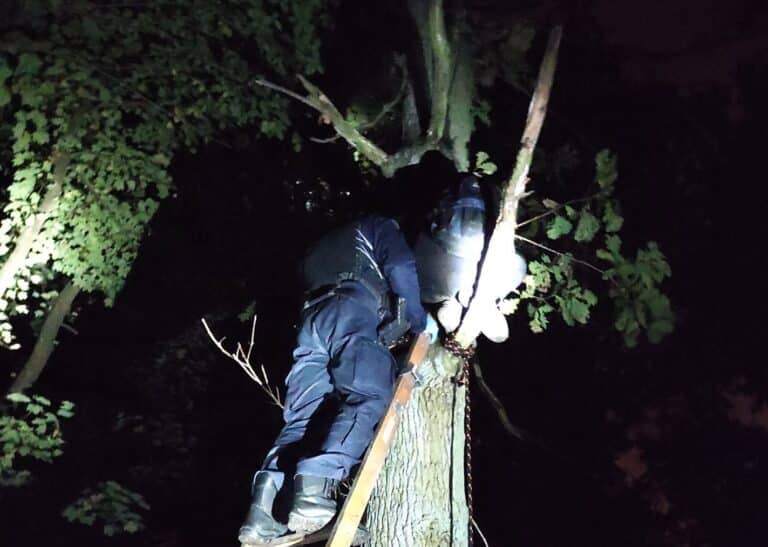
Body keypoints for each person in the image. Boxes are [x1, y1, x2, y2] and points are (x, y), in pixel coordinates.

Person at [238, 214, 438, 544]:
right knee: (370, 396)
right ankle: (314, 490)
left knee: (302, 421)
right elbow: (401, 266)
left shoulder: (319, 247)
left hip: (311, 324)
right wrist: (418, 321)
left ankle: (263, 513)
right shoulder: (379, 226)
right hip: (350, 309)